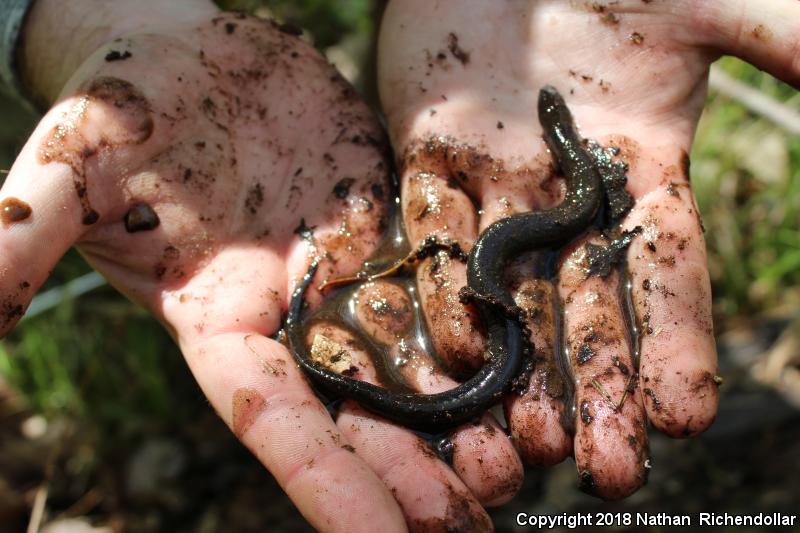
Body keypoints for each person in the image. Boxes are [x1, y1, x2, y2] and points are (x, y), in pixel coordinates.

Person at [0, 0, 797, 530]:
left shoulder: (575, 184)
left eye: (558, 126)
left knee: (496, 315)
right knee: (490, 313)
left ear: (562, 141)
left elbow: (580, 196)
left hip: (505, 254)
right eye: (559, 125)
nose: (559, 131)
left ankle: (387, 376)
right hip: (497, 265)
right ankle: (369, 376)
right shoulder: (571, 181)